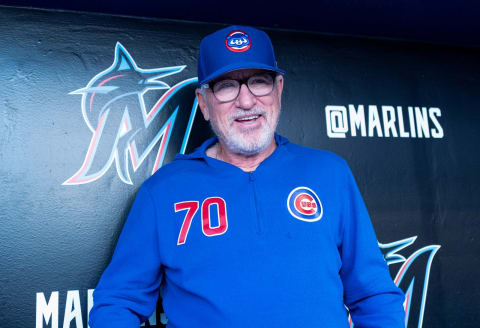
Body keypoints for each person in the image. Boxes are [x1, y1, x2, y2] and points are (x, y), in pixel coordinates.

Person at [89, 25, 405, 328]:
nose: (246, 100)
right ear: (204, 103)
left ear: (278, 89)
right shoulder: (163, 191)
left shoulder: (329, 173)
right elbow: (118, 302)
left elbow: (374, 295)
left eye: (259, 81)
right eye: (226, 86)